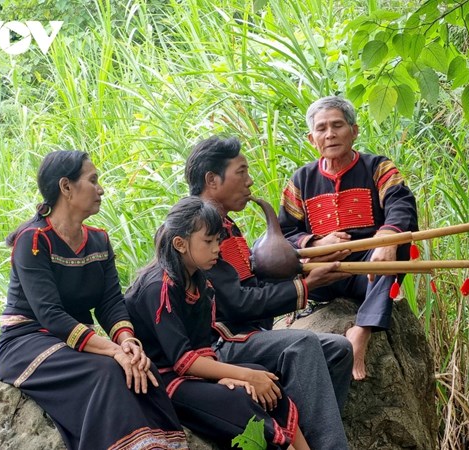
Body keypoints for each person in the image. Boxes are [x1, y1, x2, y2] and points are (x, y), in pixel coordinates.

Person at [0, 150, 188, 450]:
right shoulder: (34, 239)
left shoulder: (99, 240)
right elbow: (49, 314)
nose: (101, 189)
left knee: (143, 368)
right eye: (93, 180)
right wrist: (113, 351)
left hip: (73, 342)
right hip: (26, 341)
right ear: (66, 187)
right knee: (108, 370)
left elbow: (110, 303)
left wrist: (127, 343)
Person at [184, 136, 353, 450]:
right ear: (212, 180)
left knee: (339, 350)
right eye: (241, 172)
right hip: (220, 342)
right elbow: (236, 303)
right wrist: (306, 285)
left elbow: (249, 286)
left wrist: (303, 270)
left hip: (247, 336)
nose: (250, 181)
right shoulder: (197, 228)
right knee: (302, 344)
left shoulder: (225, 225)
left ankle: (307, 440)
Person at [125, 196, 310, 450]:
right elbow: (183, 360)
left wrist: (222, 378)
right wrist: (242, 376)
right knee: (240, 399)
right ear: (180, 244)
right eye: (208, 241)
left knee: (268, 382)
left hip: (190, 374)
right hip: (161, 381)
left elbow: (203, 349)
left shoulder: (200, 281)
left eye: (218, 240)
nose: (217, 249)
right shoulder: (159, 288)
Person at [278, 95, 419, 381]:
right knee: (269, 261)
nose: (330, 134)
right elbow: (285, 233)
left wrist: (386, 239)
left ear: (354, 131)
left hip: (369, 270)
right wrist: (317, 244)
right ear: (311, 139)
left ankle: (361, 331)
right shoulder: (300, 180)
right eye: (321, 128)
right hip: (323, 273)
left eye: (337, 125)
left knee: (396, 251)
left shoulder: (378, 167)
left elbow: (401, 204)